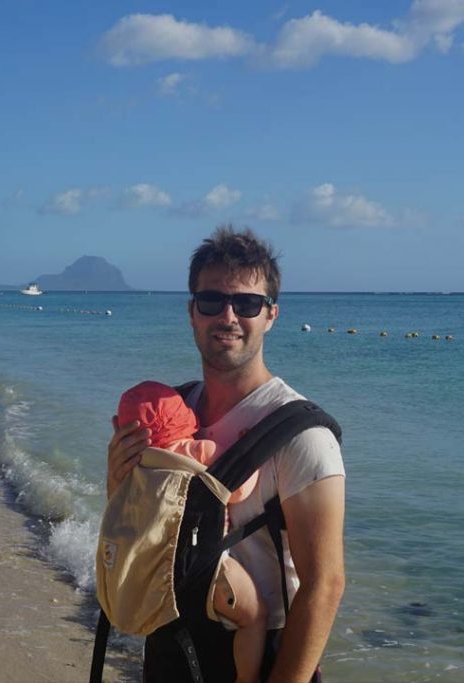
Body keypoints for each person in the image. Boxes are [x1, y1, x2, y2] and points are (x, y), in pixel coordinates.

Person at [108, 226, 345, 683]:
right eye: (212, 301)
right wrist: (117, 480)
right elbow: (135, 526)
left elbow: (325, 584)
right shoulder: (168, 416)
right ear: (192, 312)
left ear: (272, 314)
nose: (229, 315)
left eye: (248, 303)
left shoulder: (302, 435)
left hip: (263, 657)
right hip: (170, 642)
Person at [115, 380, 267, 683]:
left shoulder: (136, 465)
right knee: (255, 617)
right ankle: (247, 678)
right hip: (204, 569)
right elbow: (237, 491)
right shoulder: (198, 451)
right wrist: (250, 456)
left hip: (153, 570)